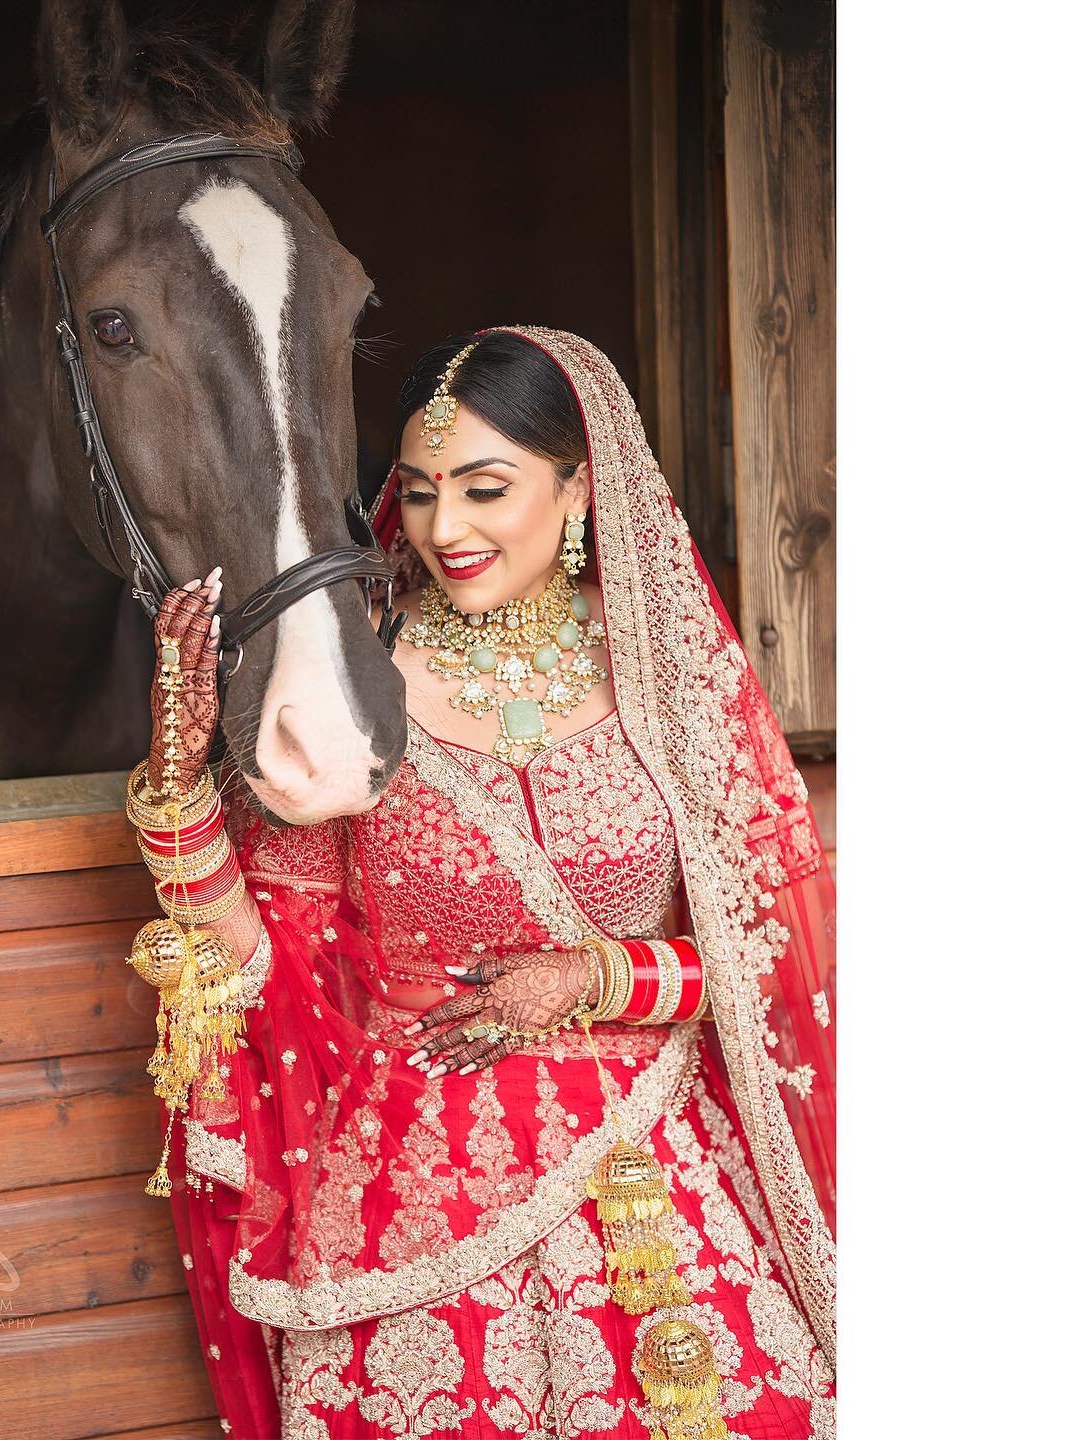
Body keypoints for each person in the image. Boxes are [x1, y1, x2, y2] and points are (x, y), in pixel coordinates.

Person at [122, 327, 835, 1439]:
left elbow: (772, 946)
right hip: (419, 1200)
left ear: (579, 486)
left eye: (484, 489)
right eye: (416, 495)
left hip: (667, 1173)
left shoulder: (665, 670)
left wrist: (591, 976)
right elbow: (267, 964)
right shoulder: (349, 685)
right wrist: (179, 792)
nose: (443, 528)